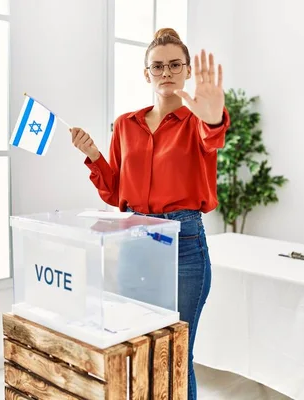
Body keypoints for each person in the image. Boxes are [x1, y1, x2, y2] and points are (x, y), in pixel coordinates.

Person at [70, 27, 230, 399]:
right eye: (158, 66)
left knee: (176, 352)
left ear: (188, 70)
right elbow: (115, 191)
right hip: (134, 241)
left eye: (175, 64)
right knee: (139, 344)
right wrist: (94, 154)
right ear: (146, 73)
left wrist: (212, 117)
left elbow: (213, 135)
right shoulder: (127, 124)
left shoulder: (198, 122)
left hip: (184, 244)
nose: (167, 72)